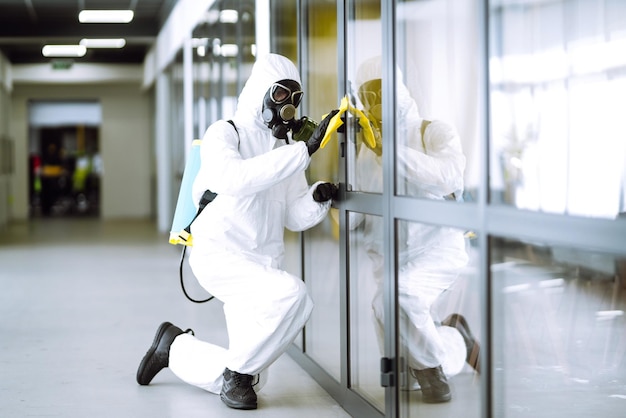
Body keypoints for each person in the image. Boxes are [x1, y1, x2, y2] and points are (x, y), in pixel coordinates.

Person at [136, 54, 339, 410]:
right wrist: (303, 152)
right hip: (221, 256)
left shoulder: (287, 151)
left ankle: (174, 348)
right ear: (259, 94)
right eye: (280, 96)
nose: (288, 107)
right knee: (294, 295)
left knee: (252, 373)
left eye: (295, 98)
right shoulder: (224, 133)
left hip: (263, 263)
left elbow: (293, 216)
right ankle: (235, 375)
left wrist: (317, 197)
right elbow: (232, 179)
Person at [350, 56, 480, 403]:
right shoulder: (364, 149)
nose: (374, 102)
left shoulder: (433, 131)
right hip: (390, 256)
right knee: (400, 375)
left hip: (437, 249)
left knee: (397, 297)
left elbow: (448, 177)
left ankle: (432, 370)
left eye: (380, 92)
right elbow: (360, 214)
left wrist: (390, 153)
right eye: (367, 95)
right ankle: (455, 341)